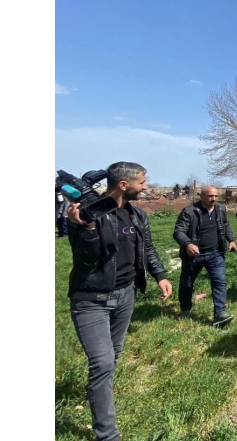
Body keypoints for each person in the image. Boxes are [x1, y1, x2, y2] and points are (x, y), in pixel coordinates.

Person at [65, 161, 173, 441]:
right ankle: (107, 433)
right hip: (92, 299)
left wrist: (160, 275)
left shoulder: (137, 215)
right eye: (142, 181)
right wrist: (86, 229)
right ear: (124, 185)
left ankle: (97, 395)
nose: (146, 186)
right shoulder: (86, 214)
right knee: (101, 362)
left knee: (113, 355)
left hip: (126, 294)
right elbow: (85, 261)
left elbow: (147, 247)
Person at [173, 186, 237, 326]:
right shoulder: (190, 212)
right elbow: (178, 231)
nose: (213, 199)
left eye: (215, 196)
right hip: (193, 256)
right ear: (201, 196)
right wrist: (188, 244)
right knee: (187, 283)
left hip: (215, 253)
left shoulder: (220, 209)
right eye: (210, 196)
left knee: (219, 281)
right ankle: (185, 309)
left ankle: (220, 314)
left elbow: (225, 225)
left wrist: (231, 240)